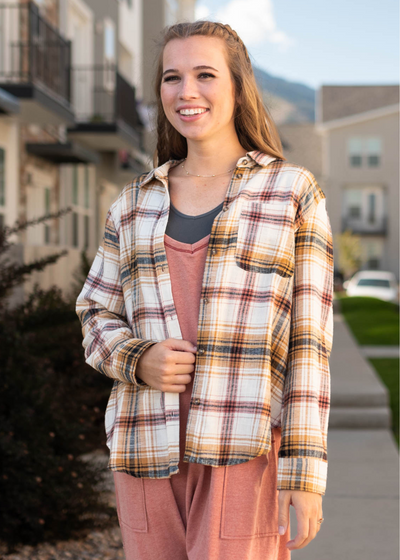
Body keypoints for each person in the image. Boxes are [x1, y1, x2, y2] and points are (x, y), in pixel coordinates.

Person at [76, 20, 334, 560]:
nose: (185, 91)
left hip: (244, 450)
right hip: (146, 443)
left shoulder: (292, 194)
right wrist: (137, 358)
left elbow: (310, 344)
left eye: (204, 74)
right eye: (172, 77)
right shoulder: (132, 203)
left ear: (238, 87)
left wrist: (305, 471)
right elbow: (94, 312)